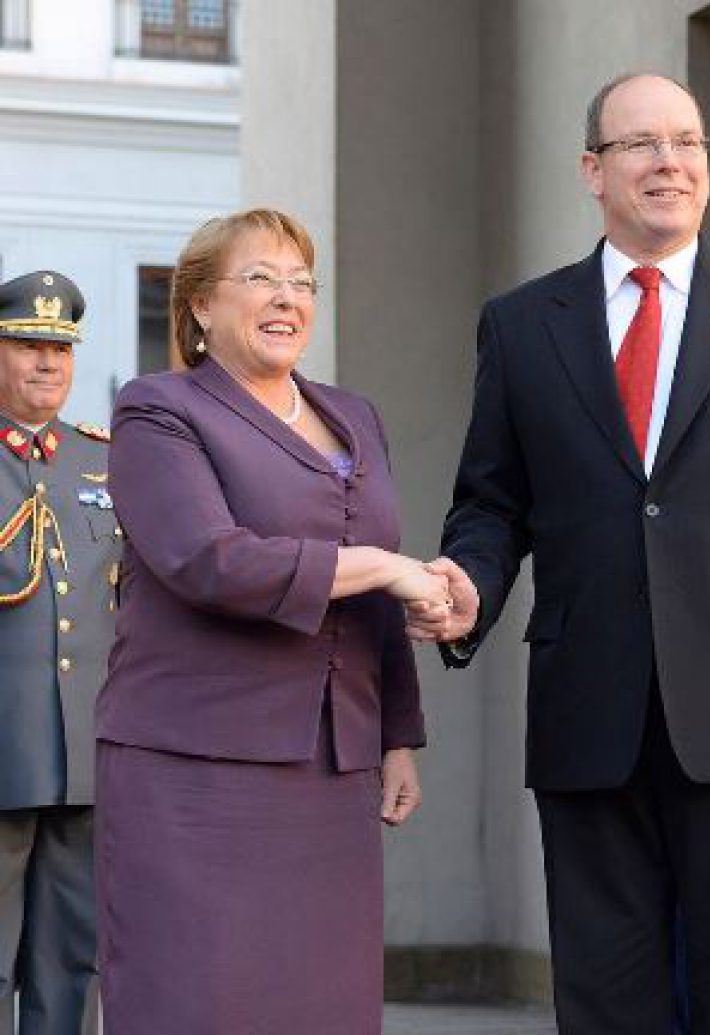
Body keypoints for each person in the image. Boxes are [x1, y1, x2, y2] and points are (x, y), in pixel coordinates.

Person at [408, 74, 710, 1034]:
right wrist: (467, 581)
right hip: (590, 708)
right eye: (641, 144)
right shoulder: (521, 324)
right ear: (594, 170)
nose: (669, 162)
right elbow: (492, 500)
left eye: (688, 142)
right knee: (603, 998)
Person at [95, 208, 447, 1035]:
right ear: (200, 307)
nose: (286, 297)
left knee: (322, 1008)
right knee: (195, 1000)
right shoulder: (159, 411)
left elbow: (377, 583)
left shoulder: (354, 415)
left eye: (301, 281)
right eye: (259, 278)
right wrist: (393, 570)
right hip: (193, 769)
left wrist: (397, 732)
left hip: (330, 771)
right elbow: (209, 559)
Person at [0, 270, 120, 1035]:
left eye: (60, 347)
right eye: (28, 344)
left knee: (72, 959)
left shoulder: (103, 460)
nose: (47, 362)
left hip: (83, 756)